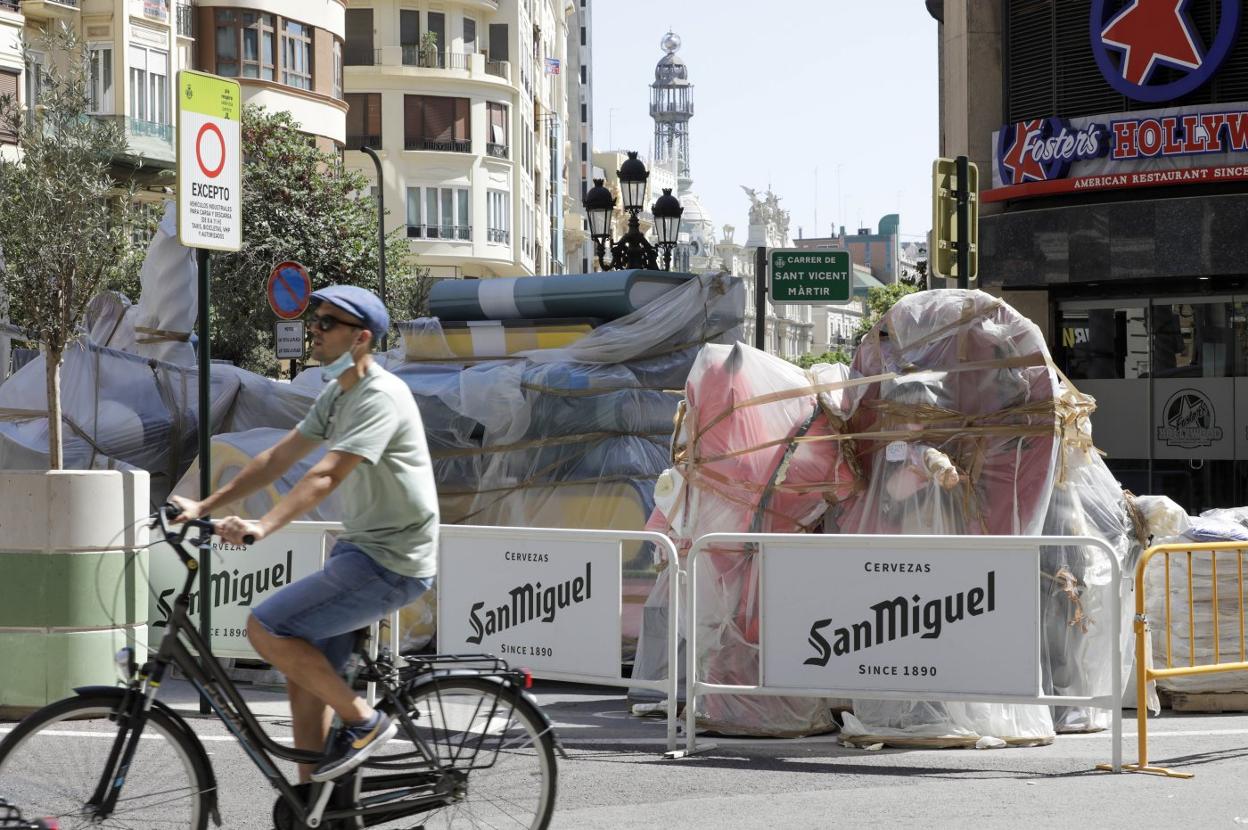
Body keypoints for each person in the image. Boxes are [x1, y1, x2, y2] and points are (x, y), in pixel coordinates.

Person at [171, 284, 439, 783]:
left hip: (393, 560)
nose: (314, 329)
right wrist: (203, 507)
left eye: (327, 323)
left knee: (267, 627)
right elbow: (277, 458)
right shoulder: (339, 394)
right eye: (315, 319)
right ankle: (316, 799)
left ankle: (366, 720)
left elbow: (324, 474)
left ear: (361, 339)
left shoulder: (378, 397)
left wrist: (261, 526)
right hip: (362, 550)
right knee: (304, 674)